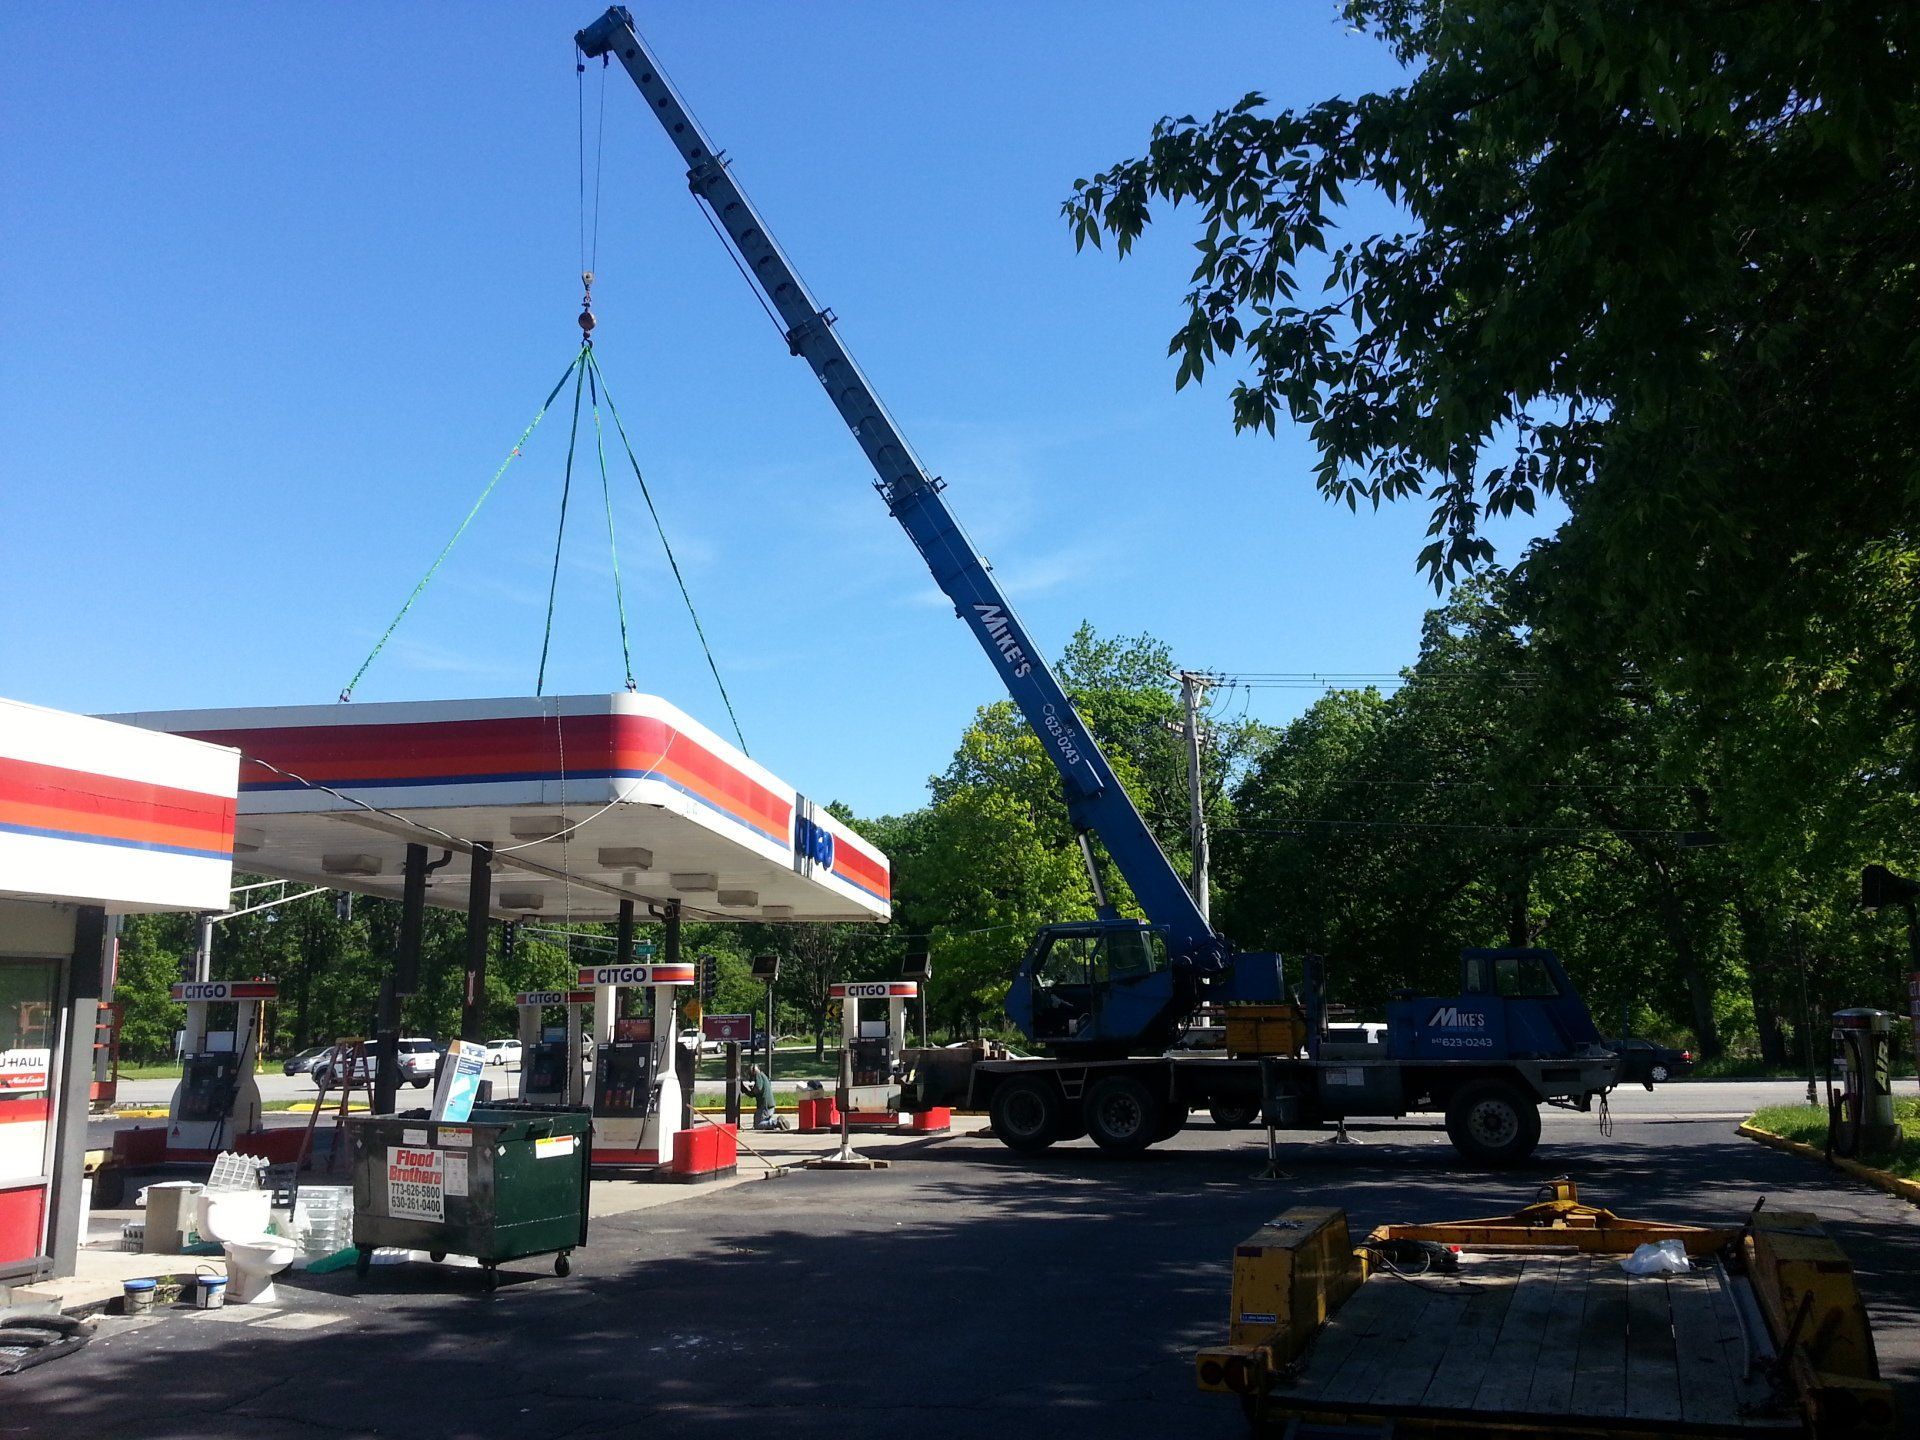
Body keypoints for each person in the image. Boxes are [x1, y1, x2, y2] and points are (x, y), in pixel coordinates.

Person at [745, 1064, 782, 1131]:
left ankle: (776, 1122)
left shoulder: (758, 1075)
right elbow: (756, 1091)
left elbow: (758, 1089)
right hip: (769, 1106)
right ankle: (773, 1123)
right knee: (759, 1121)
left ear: (753, 1071)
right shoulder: (763, 1076)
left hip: (765, 1106)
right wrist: (747, 1090)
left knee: (758, 1125)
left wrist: (750, 1090)